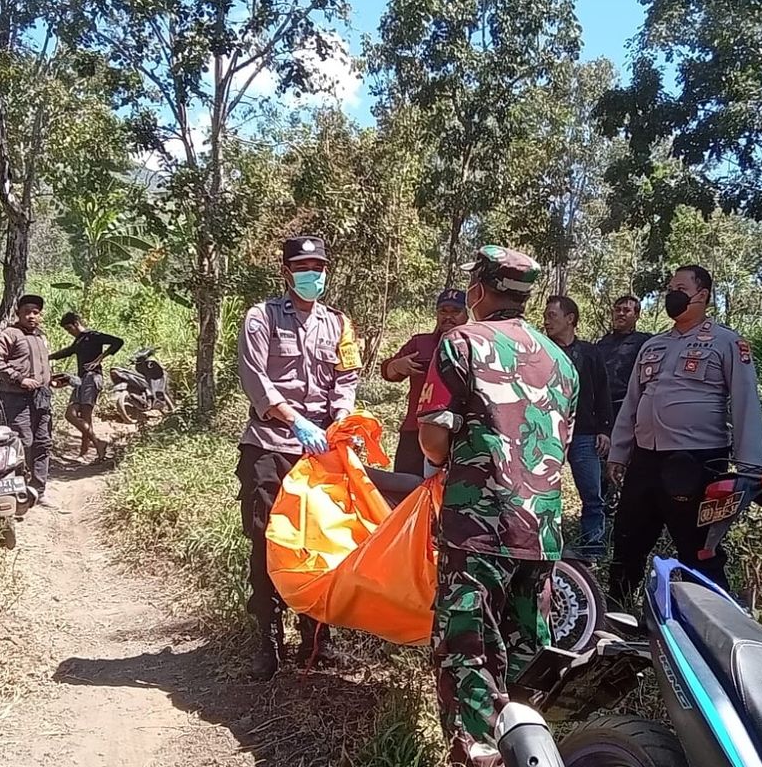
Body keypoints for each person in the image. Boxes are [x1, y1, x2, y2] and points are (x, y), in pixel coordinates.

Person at [416, 245, 578, 767]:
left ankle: (475, 755)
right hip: (542, 533)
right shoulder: (562, 363)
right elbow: (562, 446)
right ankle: (529, 750)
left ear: (479, 290)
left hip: (478, 533)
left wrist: (463, 437)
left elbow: (432, 441)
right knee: (527, 655)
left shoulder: (459, 344)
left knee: (468, 656)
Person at [236, 234, 361, 680]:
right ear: (287, 272)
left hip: (321, 453)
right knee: (268, 542)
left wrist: (341, 417)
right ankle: (269, 641)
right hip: (271, 446)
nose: (314, 274)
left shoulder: (338, 324)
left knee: (322, 544)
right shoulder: (260, 318)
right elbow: (256, 380)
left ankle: (316, 639)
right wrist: (295, 422)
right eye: (304, 267)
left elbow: (346, 377)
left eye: (320, 266)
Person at [606, 265, 762, 599]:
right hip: (645, 461)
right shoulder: (653, 345)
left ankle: (708, 626)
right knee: (627, 540)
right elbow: (632, 402)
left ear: (703, 295)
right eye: (669, 288)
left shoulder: (727, 342)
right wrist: (619, 453)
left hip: (698, 461)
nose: (671, 294)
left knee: (698, 550)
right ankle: (618, 612)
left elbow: (745, 401)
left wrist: (750, 467)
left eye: (680, 287)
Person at [543, 295, 612, 558]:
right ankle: (549, 549)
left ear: (570, 319)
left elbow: (603, 391)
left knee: (592, 496)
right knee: (545, 492)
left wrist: (604, 429)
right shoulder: (542, 350)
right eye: (546, 316)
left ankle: (592, 552)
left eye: (552, 315)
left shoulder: (590, 352)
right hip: (548, 433)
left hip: (584, 433)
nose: (547, 321)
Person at [0, 294, 63, 512]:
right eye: (27, 311)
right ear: (18, 313)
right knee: (22, 443)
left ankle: (38, 492)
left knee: (43, 443)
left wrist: (52, 379)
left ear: (41, 315)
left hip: (41, 397)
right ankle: (17, 492)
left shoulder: (40, 337)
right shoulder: (10, 334)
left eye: (36, 312)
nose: (31, 316)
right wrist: (19, 379)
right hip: (16, 398)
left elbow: (40, 367)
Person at [379, 289, 468, 475]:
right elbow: (387, 371)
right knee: (406, 490)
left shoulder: (474, 345)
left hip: (458, 433)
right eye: (443, 311)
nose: (448, 317)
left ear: (467, 315)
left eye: (455, 311)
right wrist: (397, 366)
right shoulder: (420, 343)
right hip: (415, 431)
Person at [50, 312, 124, 462]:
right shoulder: (79, 340)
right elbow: (67, 352)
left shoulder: (93, 335)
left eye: (69, 328)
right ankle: (98, 443)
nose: (69, 332)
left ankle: (86, 453)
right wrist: (48, 357)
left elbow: (118, 341)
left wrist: (100, 358)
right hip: (80, 379)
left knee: (85, 416)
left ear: (76, 323)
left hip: (92, 377)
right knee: (70, 414)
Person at [596, 295, 650, 422]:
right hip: (602, 409)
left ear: (636, 316)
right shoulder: (602, 343)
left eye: (626, 310)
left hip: (629, 408)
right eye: (617, 310)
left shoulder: (645, 342)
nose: (621, 313)